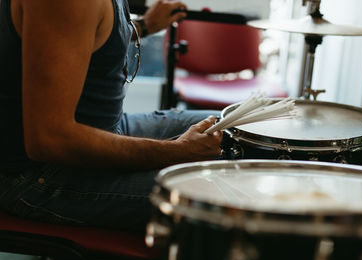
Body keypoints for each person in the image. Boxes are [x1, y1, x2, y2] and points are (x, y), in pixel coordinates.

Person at [0, 0, 222, 231]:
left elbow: (79, 35)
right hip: (41, 176)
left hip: (100, 131)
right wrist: (176, 152)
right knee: (226, 190)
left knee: (234, 130)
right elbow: (50, 140)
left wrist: (144, 26)